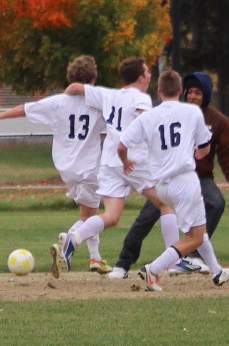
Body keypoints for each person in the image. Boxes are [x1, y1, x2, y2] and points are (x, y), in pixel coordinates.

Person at [108, 72, 229, 276]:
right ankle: (153, 269)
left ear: (158, 91)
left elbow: (121, 146)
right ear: (181, 91)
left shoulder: (149, 116)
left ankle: (217, 272)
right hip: (184, 179)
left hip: (161, 183)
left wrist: (125, 162)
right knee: (195, 236)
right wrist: (203, 151)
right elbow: (205, 144)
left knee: (199, 227)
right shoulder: (192, 112)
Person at [0, 56, 110, 273]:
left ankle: (95, 258)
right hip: (88, 167)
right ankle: (69, 240)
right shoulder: (98, 104)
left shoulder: (57, 102)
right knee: (91, 216)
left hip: (66, 168)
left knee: (89, 214)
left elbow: (25, 108)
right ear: (92, 81)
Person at [56, 58, 165, 279]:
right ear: (141, 78)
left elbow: (74, 87)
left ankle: (73, 239)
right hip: (134, 161)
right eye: (147, 72)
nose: (149, 76)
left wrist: (66, 103)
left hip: (109, 162)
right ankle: (174, 262)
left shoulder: (108, 95)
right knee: (166, 204)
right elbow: (146, 122)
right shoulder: (141, 97)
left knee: (111, 217)